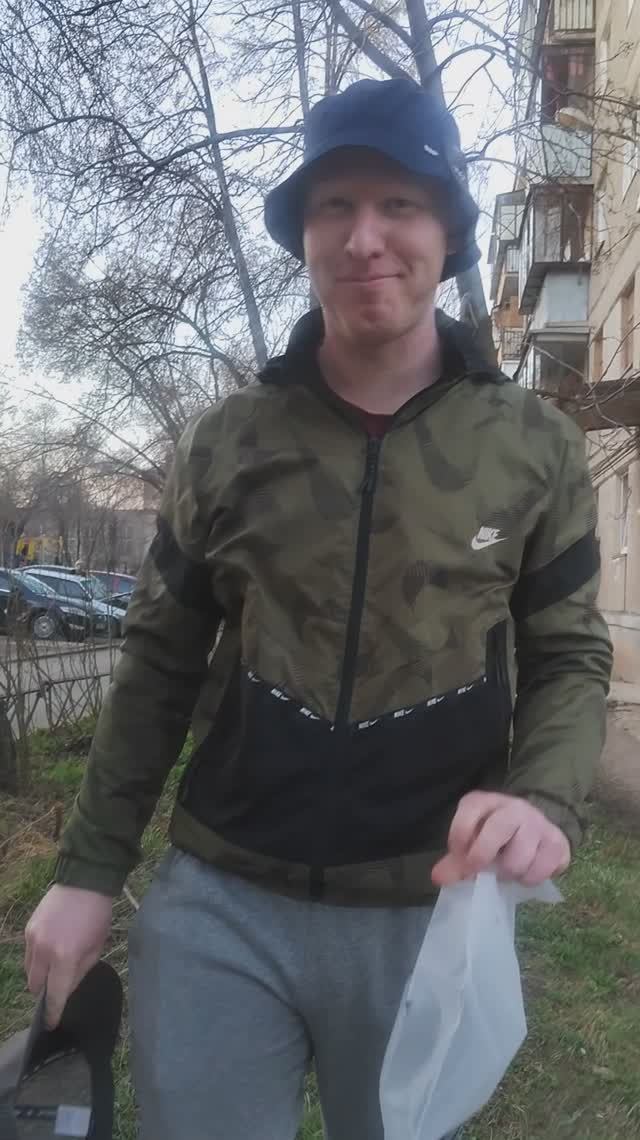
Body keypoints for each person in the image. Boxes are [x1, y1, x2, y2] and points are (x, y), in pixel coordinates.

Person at [24, 78, 612, 1140]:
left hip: (424, 911)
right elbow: (157, 663)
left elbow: (568, 654)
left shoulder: (533, 446)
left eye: (398, 204)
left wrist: (543, 800)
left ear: (448, 230)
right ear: (302, 232)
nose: (363, 237)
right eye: (334, 205)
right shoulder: (227, 441)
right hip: (220, 905)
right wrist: (89, 872)